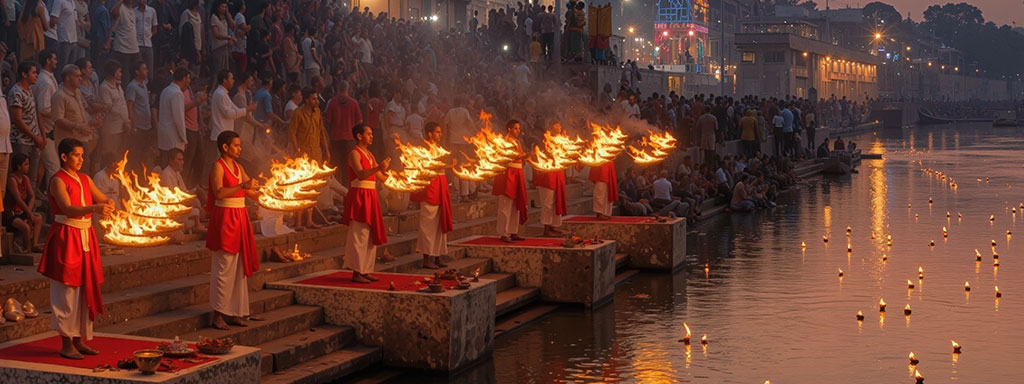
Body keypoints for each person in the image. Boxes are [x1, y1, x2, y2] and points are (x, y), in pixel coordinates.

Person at [38, 138, 115, 359]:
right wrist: (95, 207)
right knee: (67, 291)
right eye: (76, 155)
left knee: (84, 288)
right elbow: (69, 209)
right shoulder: (57, 181)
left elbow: (102, 198)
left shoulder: (84, 178)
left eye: (82, 155)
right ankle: (65, 342)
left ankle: (80, 339)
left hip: (85, 236)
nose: (81, 159)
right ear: (64, 157)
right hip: (67, 235)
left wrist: (110, 203)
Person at [205, 130, 260, 330]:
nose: (240, 148)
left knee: (238, 268)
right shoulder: (217, 166)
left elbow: (252, 193)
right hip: (225, 217)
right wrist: (243, 185)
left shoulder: (239, 166)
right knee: (224, 267)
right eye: (236, 145)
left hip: (240, 216)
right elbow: (219, 192)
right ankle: (218, 313)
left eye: (240, 145)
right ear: (225, 147)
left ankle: (235, 312)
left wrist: (276, 191)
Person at [343, 123, 390, 283]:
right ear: (359, 136)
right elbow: (361, 174)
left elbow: (381, 177)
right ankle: (356, 272)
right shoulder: (354, 154)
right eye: (368, 134)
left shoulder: (369, 154)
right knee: (359, 234)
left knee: (370, 234)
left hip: (371, 194)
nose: (372, 136)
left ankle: (366, 270)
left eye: (371, 133)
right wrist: (379, 168)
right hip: (359, 194)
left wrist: (396, 174)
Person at [411, 122, 452, 269]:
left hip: (441, 183)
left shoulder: (439, 148)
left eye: (441, 132)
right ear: (429, 134)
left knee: (440, 222)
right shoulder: (423, 149)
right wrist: (447, 166)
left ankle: (438, 256)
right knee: (428, 223)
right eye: (437, 132)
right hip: (430, 186)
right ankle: (426, 258)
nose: (440, 134)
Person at [287, 88, 328, 230]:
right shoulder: (298, 113)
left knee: (312, 189)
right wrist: (297, 150)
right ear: (306, 100)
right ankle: (298, 222)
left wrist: (326, 151)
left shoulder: (317, 113)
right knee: (301, 189)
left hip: (316, 156)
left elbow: (322, 133)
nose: (316, 101)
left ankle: (309, 221)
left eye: (317, 98)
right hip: (302, 158)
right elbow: (292, 134)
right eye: (314, 99)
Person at [9, 62, 45, 194]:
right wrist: (34, 136)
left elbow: (35, 114)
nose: (36, 75)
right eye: (33, 73)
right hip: (21, 141)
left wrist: (41, 135)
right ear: (24, 74)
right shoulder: (16, 92)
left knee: (32, 179)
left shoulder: (30, 91)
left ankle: (32, 208)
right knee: (19, 178)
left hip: (34, 141)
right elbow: (17, 119)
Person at [492, 120, 528, 242]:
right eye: (515, 128)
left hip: (517, 172)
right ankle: (503, 232)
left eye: (519, 128)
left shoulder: (517, 141)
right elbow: (505, 157)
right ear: (509, 129)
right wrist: (521, 156)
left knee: (515, 204)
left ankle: (513, 231)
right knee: (505, 204)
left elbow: (520, 156)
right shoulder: (504, 142)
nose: (518, 131)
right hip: (508, 173)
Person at [5, 153, 45, 253]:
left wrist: (29, 212)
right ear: (19, 166)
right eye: (26, 164)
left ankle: (34, 244)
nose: (28, 167)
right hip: (11, 215)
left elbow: (32, 196)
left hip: (23, 212)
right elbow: (18, 199)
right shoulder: (12, 180)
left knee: (38, 218)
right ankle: (26, 248)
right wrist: (29, 214)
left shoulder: (25, 179)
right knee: (26, 228)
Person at [532, 124, 567, 237]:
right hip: (547, 175)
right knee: (547, 203)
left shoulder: (561, 140)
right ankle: (546, 229)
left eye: (559, 125)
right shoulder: (544, 141)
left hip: (557, 173)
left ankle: (552, 226)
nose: (559, 127)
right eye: (556, 125)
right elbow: (541, 157)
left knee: (555, 201)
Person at [326, 80, 361, 180]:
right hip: (349, 139)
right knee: (348, 166)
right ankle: (347, 189)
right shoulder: (354, 103)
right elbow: (359, 121)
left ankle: (337, 190)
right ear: (348, 89)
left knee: (336, 166)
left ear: (338, 89)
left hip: (335, 139)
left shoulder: (332, 102)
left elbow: (328, 121)